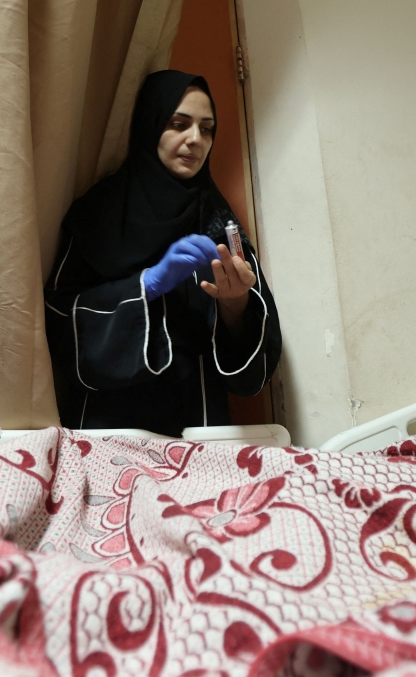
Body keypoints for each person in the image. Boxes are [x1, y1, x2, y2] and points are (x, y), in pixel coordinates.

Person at [44, 71, 281, 436]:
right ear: (150, 125)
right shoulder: (99, 213)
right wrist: (146, 286)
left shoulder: (219, 222)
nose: (195, 139)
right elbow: (58, 322)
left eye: (207, 129)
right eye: (178, 124)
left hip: (198, 427)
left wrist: (235, 306)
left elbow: (251, 371)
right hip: (107, 427)